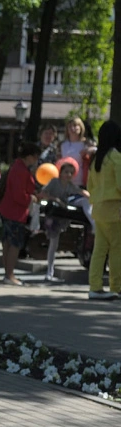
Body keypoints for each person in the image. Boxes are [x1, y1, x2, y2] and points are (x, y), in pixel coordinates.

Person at [39, 157, 90, 282]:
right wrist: (54, 199)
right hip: (53, 215)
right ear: (60, 171)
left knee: (55, 244)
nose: (69, 175)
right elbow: (42, 193)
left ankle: (50, 272)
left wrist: (89, 195)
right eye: (66, 172)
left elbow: (80, 191)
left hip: (62, 217)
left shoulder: (70, 185)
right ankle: (49, 272)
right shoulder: (54, 182)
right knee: (53, 243)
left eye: (71, 173)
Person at [0, 141, 40, 286]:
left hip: (7, 209)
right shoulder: (22, 170)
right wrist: (32, 198)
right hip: (15, 211)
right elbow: (19, 195)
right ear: (31, 156)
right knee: (15, 244)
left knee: (7, 243)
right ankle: (9, 274)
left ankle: (7, 273)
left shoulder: (16, 166)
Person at [86, 119, 121, 300]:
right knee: (117, 249)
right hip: (115, 208)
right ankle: (117, 287)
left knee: (100, 249)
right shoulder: (116, 157)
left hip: (98, 208)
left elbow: (89, 186)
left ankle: (95, 287)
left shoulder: (95, 159)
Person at [61, 117, 88, 188]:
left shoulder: (86, 144)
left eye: (75, 125)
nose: (72, 128)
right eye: (70, 126)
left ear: (81, 127)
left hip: (80, 182)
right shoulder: (62, 145)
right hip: (64, 182)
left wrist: (90, 150)